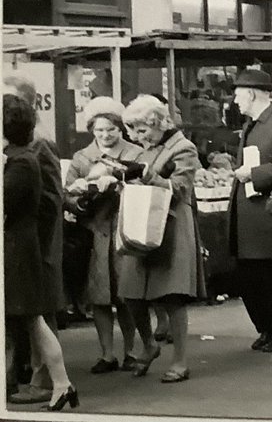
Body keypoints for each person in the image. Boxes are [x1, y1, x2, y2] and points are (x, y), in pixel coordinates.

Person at [117, 95, 206, 383]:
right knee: (130, 292)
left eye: (142, 130)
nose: (137, 136)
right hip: (141, 223)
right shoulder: (145, 147)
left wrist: (147, 174)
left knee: (172, 296)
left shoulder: (183, 148)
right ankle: (149, 345)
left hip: (172, 226)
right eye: (134, 131)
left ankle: (180, 360)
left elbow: (181, 189)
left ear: (158, 122)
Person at [4, 95, 78, 411]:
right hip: (18, 249)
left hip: (15, 251)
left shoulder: (21, 162)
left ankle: (60, 383)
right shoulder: (19, 157)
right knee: (33, 323)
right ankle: (62, 385)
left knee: (29, 321)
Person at [63, 97, 142, 374]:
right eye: (99, 130)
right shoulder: (81, 158)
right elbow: (67, 193)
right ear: (91, 130)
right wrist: (80, 198)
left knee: (126, 295)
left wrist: (121, 186)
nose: (105, 135)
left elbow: (144, 187)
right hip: (94, 233)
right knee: (98, 297)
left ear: (120, 129)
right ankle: (107, 353)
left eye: (111, 129)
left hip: (124, 230)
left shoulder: (135, 153)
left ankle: (131, 350)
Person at [229, 68, 272, 354]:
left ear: (251, 93)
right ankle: (268, 329)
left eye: (237, 94)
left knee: (271, 278)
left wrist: (255, 173)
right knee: (251, 278)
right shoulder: (252, 123)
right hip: (249, 217)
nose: (234, 101)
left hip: (266, 219)